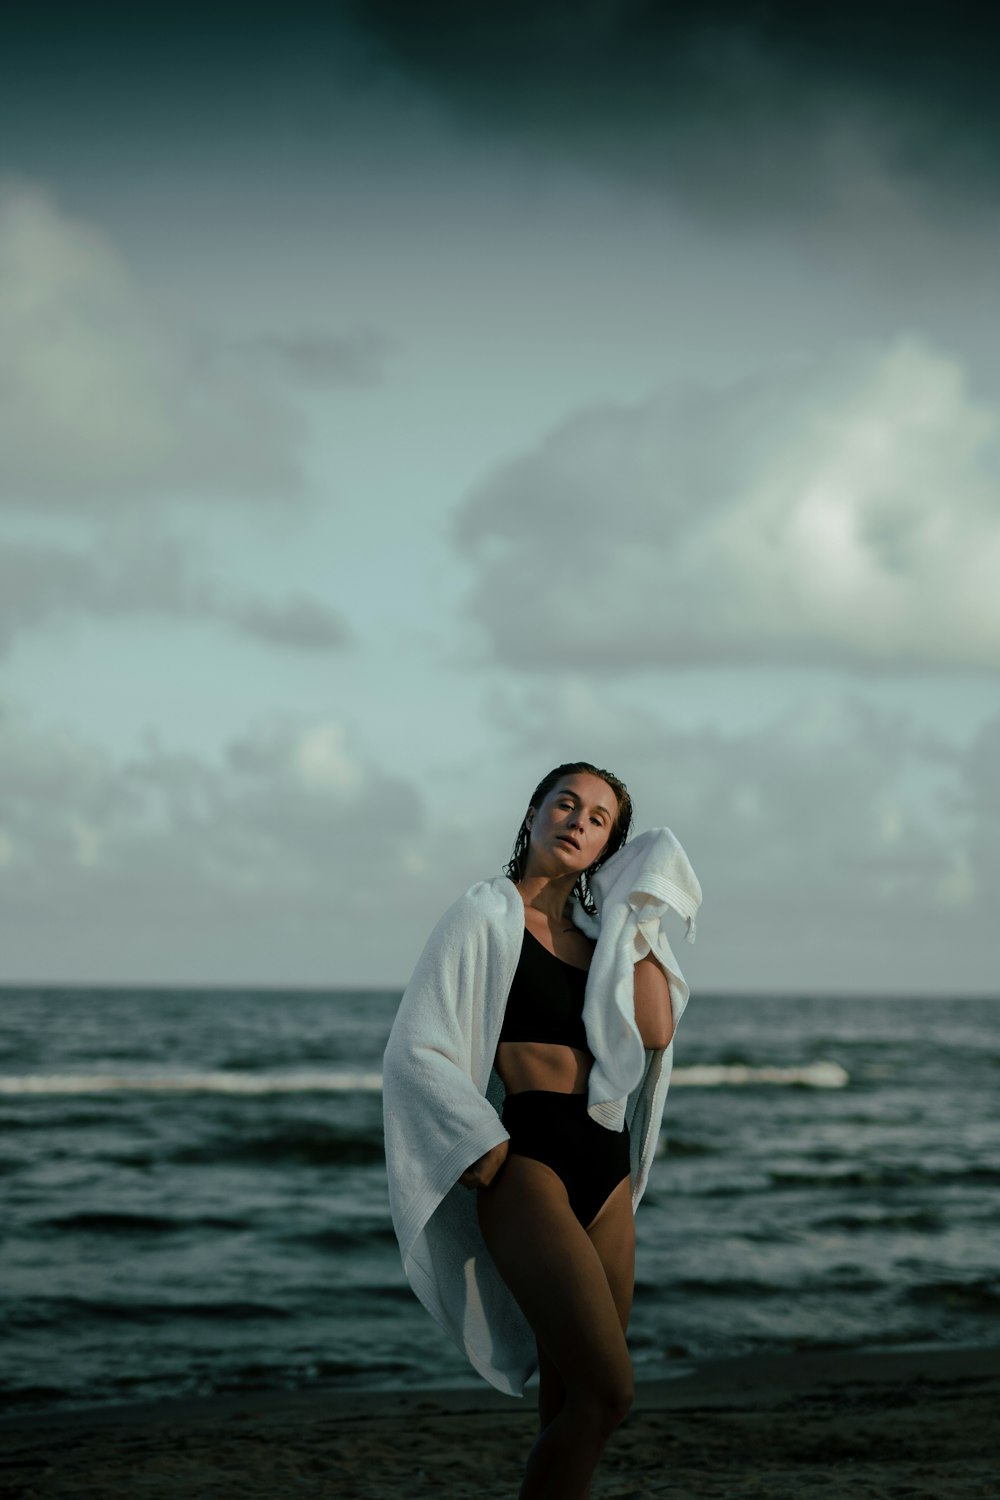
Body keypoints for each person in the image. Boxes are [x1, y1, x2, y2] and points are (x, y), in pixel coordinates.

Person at [382, 761, 699, 1500]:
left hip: (606, 1165)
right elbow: (414, 1044)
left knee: (573, 1401)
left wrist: (638, 907)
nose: (578, 823)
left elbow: (654, 1027)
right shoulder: (482, 915)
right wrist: (473, 1136)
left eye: (598, 821)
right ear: (532, 814)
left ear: (606, 849)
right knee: (609, 1393)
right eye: (566, 804)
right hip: (529, 1163)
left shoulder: (606, 938)